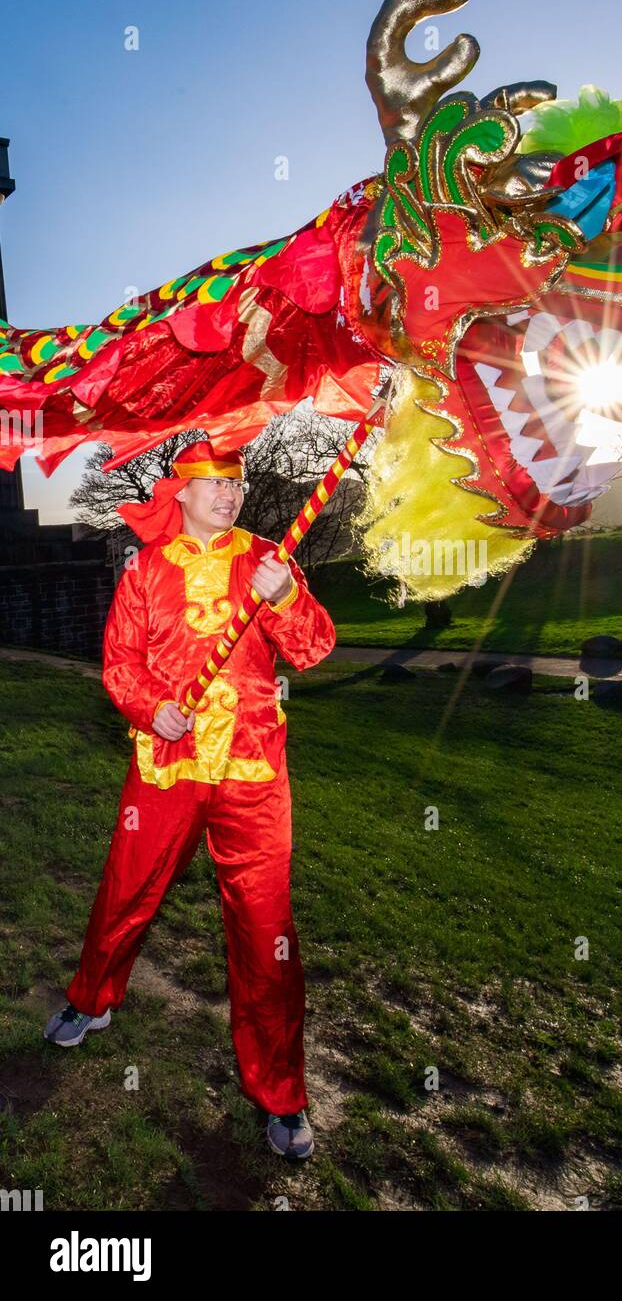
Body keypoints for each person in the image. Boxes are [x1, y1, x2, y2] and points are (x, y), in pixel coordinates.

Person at [44, 439, 336, 1160]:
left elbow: (314, 648)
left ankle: (281, 1093)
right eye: (213, 483)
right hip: (166, 764)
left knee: (267, 928)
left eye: (235, 482)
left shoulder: (268, 557)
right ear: (180, 493)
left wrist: (287, 596)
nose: (229, 494)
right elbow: (120, 663)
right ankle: (92, 997)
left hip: (252, 769)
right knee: (125, 891)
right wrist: (150, 708)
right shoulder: (145, 569)